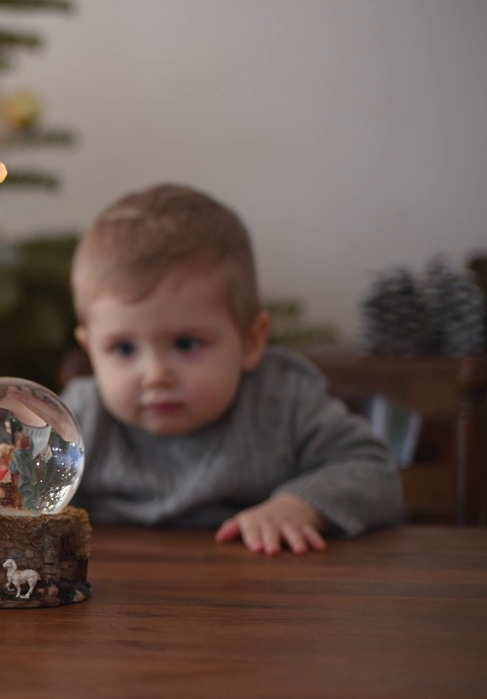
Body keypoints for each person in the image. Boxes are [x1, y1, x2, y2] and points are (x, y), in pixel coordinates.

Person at [61, 183, 403, 555]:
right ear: (91, 350)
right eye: (124, 348)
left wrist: (300, 505)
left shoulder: (281, 400)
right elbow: (22, 488)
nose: (156, 375)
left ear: (251, 342)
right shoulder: (80, 419)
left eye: (186, 344)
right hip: (123, 595)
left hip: (259, 592)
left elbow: (375, 470)